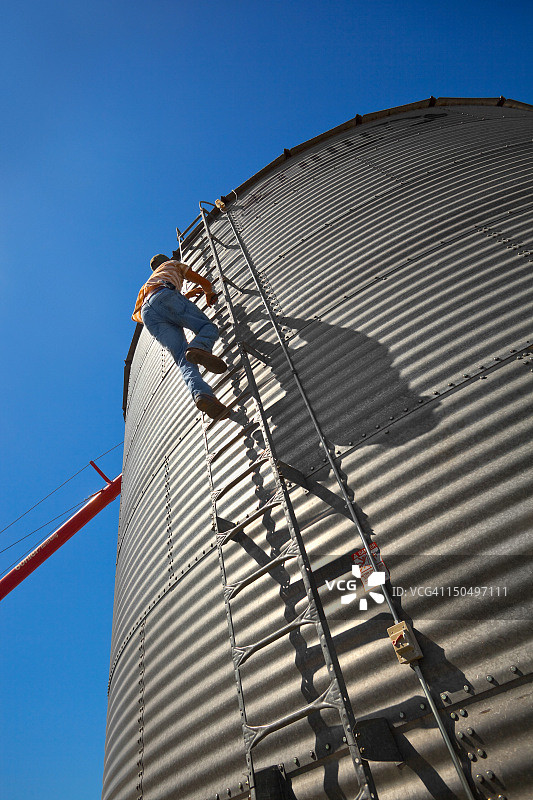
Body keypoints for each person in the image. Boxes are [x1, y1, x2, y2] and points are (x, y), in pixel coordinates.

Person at [132, 253, 230, 419]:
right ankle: (199, 347)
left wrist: (183, 297)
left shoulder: (151, 280)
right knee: (207, 327)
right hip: (165, 294)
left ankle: (203, 395)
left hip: (148, 313)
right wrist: (208, 293)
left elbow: (158, 304)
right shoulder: (173, 264)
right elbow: (205, 282)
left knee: (182, 359)